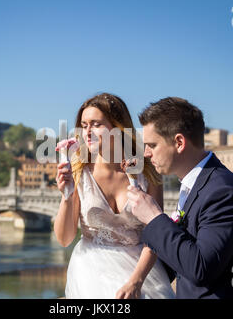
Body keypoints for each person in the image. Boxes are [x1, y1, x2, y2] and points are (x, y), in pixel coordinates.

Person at [127, 97, 233, 299]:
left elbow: (201, 268)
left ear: (179, 142)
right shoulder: (196, 184)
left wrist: (154, 217)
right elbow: (180, 256)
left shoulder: (224, 191)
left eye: (152, 145)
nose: (146, 154)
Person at [54, 93, 175, 299]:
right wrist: (67, 196)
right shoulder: (78, 170)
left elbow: (155, 237)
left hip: (141, 274)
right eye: (84, 126)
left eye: (96, 124)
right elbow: (65, 239)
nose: (88, 132)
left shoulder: (147, 172)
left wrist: (135, 281)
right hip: (91, 273)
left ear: (118, 128)